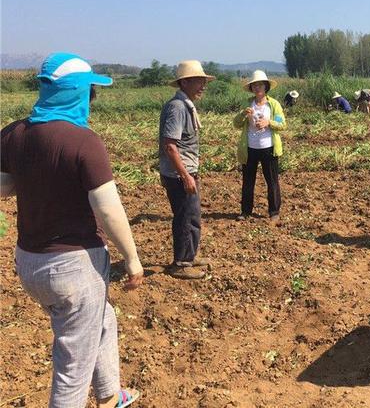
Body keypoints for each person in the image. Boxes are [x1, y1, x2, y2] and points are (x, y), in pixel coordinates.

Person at [1, 52, 143, 408]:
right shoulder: (84, 142)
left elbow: (3, 186)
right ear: (79, 94)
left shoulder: (14, 134)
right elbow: (108, 209)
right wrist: (133, 257)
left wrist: (39, 177)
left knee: (103, 318)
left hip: (31, 264)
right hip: (73, 268)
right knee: (72, 367)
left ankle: (111, 394)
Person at [159, 60, 214, 279]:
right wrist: (185, 175)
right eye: (199, 81)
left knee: (192, 215)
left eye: (204, 81)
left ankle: (189, 256)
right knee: (185, 217)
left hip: (184, 171)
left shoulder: (185, 105)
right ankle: (181, 264)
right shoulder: (178, 107)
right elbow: (170, 145)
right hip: (179, 174)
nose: (203, 85)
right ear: (185, 82)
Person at [233, 70, 287, 222]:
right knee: (248, 181)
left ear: (266, 87)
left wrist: (269, 122)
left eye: (260, 85)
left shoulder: (273, 104)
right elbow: (236, 124)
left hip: (269, 148)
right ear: (251, 88)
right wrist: (243, 114)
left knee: (272, 181)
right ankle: (245, 211)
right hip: (249, 148)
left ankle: (274, 212)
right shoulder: (247, 104)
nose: (257, 88)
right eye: (254, 85)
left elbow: (282, 124)